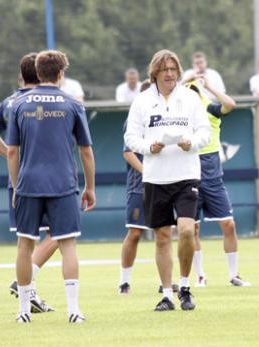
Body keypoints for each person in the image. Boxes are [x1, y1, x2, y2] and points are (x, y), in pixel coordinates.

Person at [7, 50, 95, 324]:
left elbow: (12, 151)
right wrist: (90, 187)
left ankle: (23, 312)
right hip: (63, 184)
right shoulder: (72, 104)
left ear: (36, 71)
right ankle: (73, 311)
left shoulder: (19, 104)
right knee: (68, 245)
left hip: (28, 185)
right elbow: (86, 151)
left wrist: (15, 186)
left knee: (24, 245)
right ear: (60, 74)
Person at [124, 49, 211, 311]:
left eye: (174, 69)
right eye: (165, 70)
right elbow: (131, 138)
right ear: (155, 73)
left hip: (186, 174)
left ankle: (184, 286)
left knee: (186, 230)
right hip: (155, 177)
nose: (170, 74)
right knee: (162, 237)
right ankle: (167, 294)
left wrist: (191, 142)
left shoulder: (190, 98)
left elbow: (204, 132)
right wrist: (150, 147)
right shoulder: (141, 101)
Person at [0, 52, 56, 313]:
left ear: (21, 75)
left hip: (18, 179)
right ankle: (25, 281)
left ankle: (28, 290)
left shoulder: (9, 102)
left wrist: (11, 155)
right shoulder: (49, 101)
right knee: (61, 232)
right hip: (47, 178)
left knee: (25, 241)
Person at [183, 73, 250, 288]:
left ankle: (234, 275)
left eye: (194, 92)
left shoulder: (210, 109)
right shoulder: (179, 115)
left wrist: (209, 85)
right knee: (191, 230)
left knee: (229, 225)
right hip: (189, 177)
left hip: (212, 178)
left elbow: (230, 104)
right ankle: (200, 275)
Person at [118, 80, 154, 294]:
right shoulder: (133, 120)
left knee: (164, 233)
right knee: (135, 233)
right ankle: (124, 281)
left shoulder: (165, 118)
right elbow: (128, 152)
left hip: (163, 183)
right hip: (139, 185)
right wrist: (147, 172)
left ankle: (166, 283)